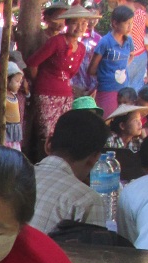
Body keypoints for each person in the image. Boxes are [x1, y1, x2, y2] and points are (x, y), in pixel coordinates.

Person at [25, 5, 97, 161]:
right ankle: (42, 165)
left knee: (62, 133)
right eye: (75, 23)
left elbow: (71, 73)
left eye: (83, 23)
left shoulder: (82, 48)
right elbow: (32, 63)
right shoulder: (56, 42)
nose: (79, 27)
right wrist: (40, 84)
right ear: (68, 24)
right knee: (46, 134)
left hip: (65, 95)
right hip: (46, 94)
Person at [30, 109, 110, 233]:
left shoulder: (13, 177)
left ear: (48, 144)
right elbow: (94, 252)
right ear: (95, 158)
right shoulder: (88, 200)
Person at [89, 5, 135, 117]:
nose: (130, 26)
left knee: (121, 120)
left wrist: (121, 68)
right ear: (115, 23)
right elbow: (92, 69)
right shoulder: (105, 42)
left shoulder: (129, 41)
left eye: (131, 23)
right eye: (126, 23)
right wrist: (106, 74)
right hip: (107, 89)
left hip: (124, 89)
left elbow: (131, 55)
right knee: (107, 119)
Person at [126, 0, 148, 92]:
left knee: (125, 86)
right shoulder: (140, 13)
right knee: (136, 86)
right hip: (140, 52)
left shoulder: (124, 14)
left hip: (129, 54)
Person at [71, 5, 102, 97]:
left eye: (95, 17)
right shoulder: (72, 36)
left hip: (91, 85)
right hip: (73, 83)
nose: (92, 21)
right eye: (89, 18)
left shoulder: (99, 39)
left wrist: (95, 87)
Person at [4, 62, 27, 149]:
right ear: (7, 80)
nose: (19, 84)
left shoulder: (14, 97)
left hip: (14, 132)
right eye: (17, 81)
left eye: (20, 82)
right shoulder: (2, 98)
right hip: (6, 132)